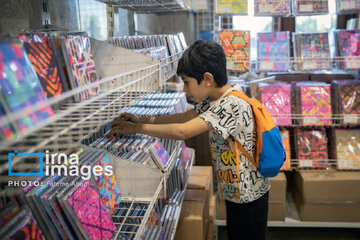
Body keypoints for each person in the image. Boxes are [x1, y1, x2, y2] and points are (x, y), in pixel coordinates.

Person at [109, 40, 269, 240]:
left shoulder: (229, 105)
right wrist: (141, 119)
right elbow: (185, 117)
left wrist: (137, 129)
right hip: (237, 193)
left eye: (187, 82)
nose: (185, 90)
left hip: (250, 199)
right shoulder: (217, 98)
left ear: (207, 79)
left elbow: (182, 131)